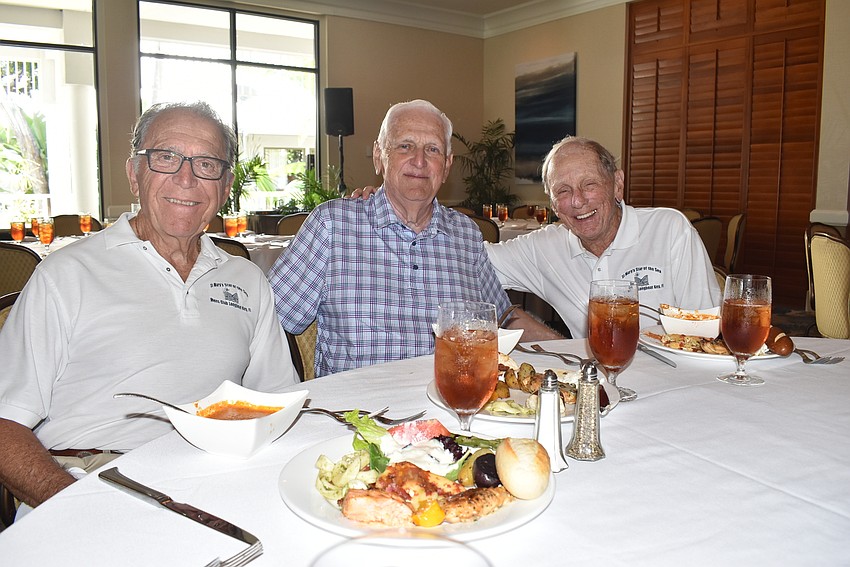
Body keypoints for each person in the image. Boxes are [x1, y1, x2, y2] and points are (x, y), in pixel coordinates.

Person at [0, 101, 298, 509]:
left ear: (226, 187)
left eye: (207, 164)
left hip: (214, 484)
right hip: (89, 478)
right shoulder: (67, 274)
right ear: (134, 174)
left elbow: (275, 404)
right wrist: (73, 505)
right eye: (166, 158)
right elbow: (5, 424)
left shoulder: (246, 280)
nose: (186, 179)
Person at [269, 100, 556, 377]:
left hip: (454, 411)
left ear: (446, 165)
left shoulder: (466, 235)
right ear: (380, 156)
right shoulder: (333, 226)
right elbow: (267, 321)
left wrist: (574, 351)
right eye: (405, 146)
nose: (419, 161)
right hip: (361, 415)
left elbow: (503, 322)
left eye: (432, 149)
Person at [485, 136, 721, 338]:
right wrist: (549, 339)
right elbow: (464, 261)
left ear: (617, 184)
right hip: (596, 386)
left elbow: (704, 327)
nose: (577, 201)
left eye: (589, 184)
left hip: (674, 380)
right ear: (553, 205)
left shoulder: (668, 230)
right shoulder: (543, 248)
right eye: (563, 191)